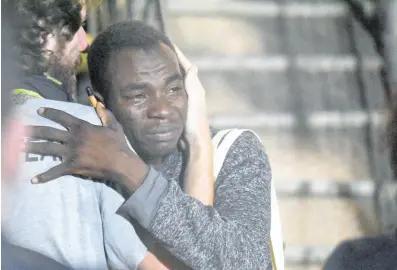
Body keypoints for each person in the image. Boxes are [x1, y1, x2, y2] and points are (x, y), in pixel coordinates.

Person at [25, 20, 273, 269]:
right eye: (139, 96)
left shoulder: (232, 152)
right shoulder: (89, 158)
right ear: (101, 104)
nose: (162, 109)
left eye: (174, 89)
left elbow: (248, 262)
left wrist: (130, 168)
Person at [2, 1, 170, 269]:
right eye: (76, 29)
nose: (84, 43)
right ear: (45, 34)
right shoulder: (93, 130)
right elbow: (141, 260)